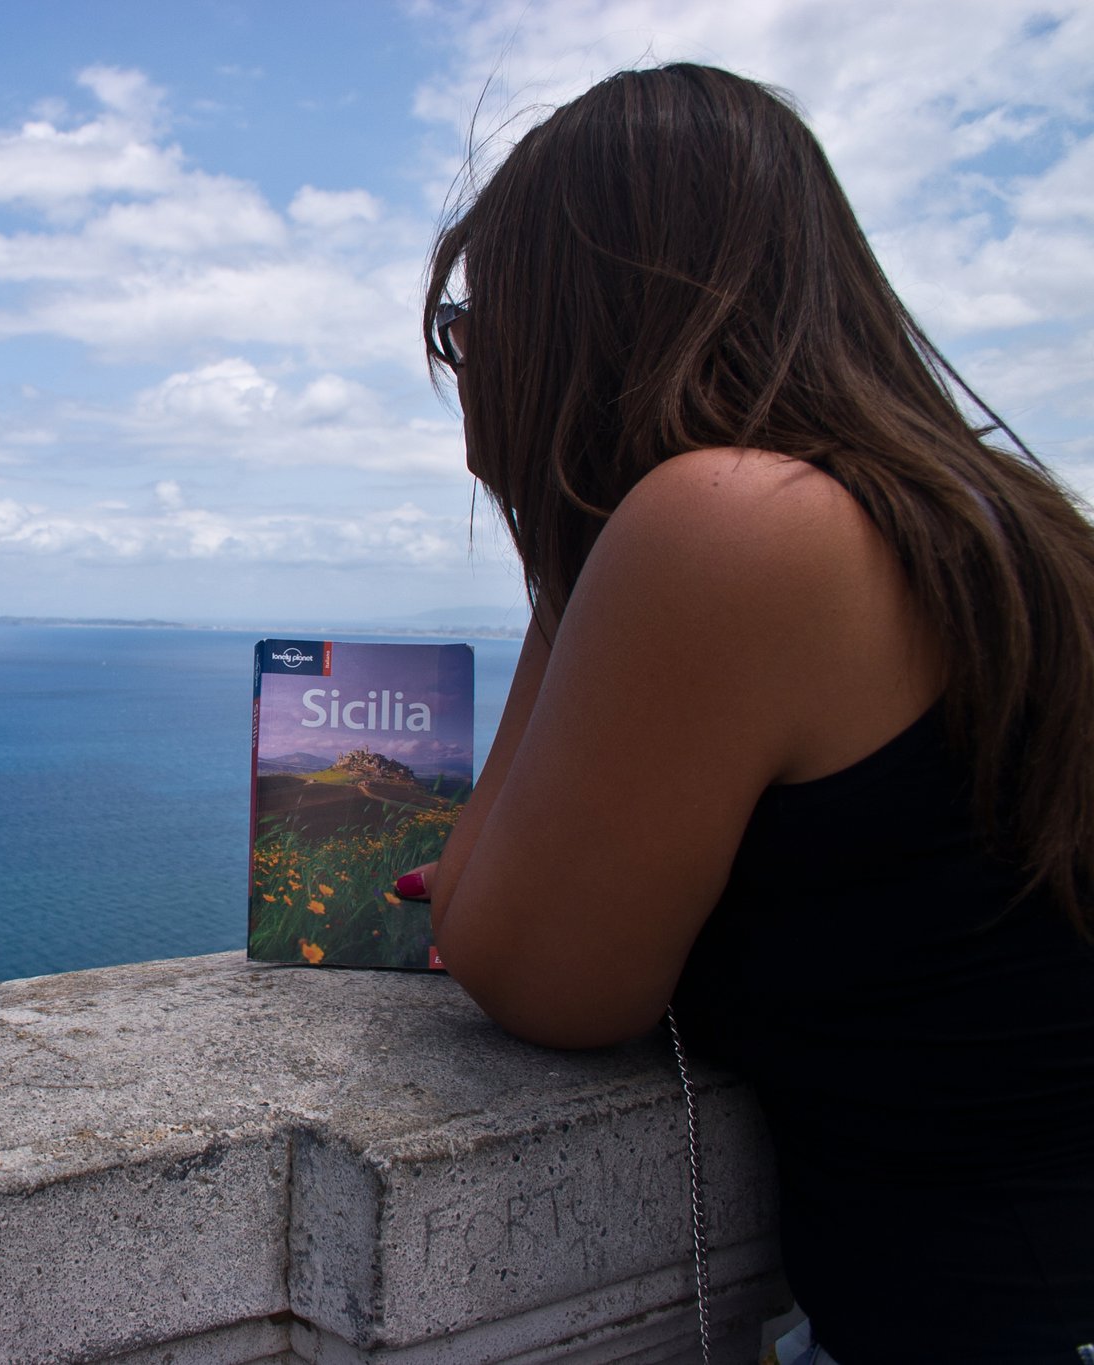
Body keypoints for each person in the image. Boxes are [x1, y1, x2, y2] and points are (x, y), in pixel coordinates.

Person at [410, 64, 1094, 1363]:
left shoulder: (726, 529)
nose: (471, 354)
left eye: (479, 314)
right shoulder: (1001, 528)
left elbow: (532, 968)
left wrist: (562, 544)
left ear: (580, 316)